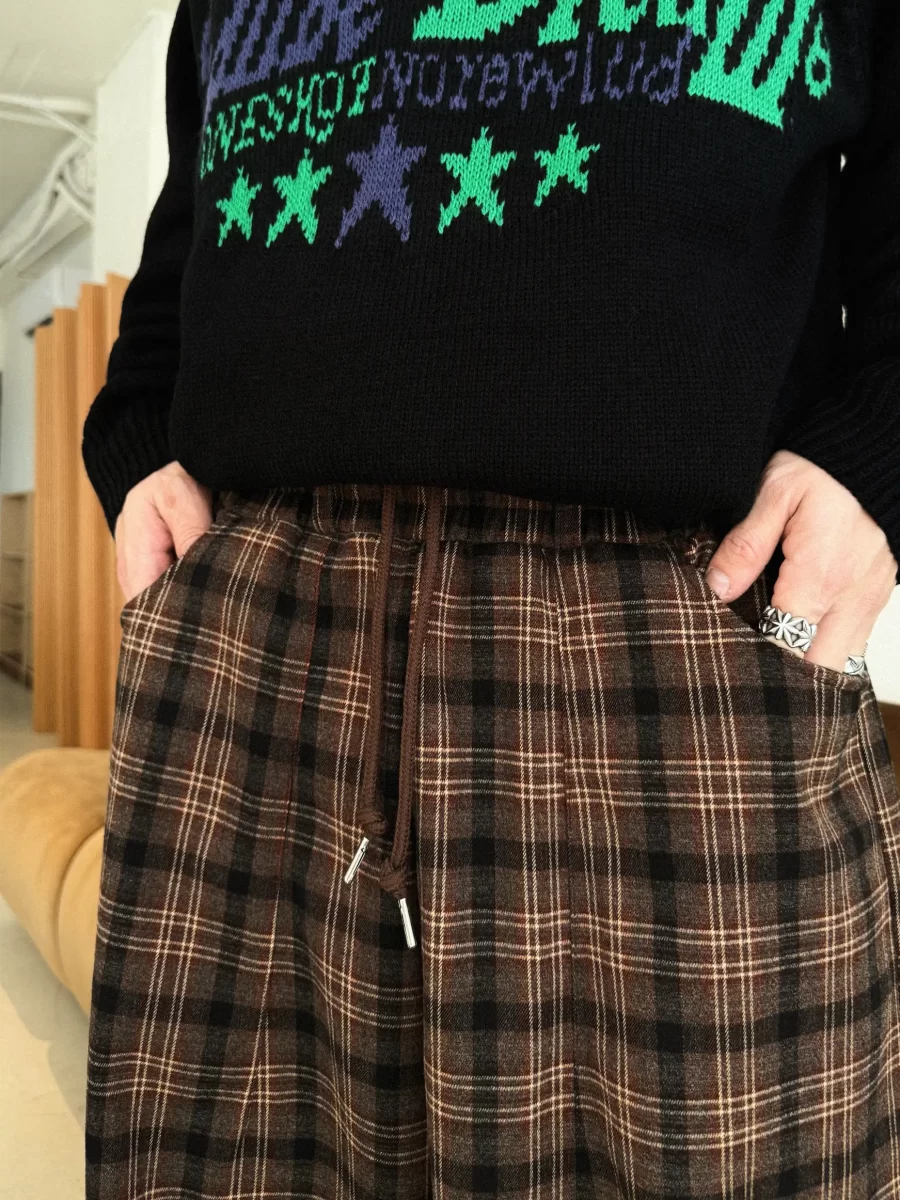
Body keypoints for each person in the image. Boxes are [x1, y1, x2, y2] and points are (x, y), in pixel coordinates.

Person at [82, 0, 900, 1196]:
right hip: (254, 631)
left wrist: (876, 461)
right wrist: (138, 451)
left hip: (678, 640)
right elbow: (184, 255)